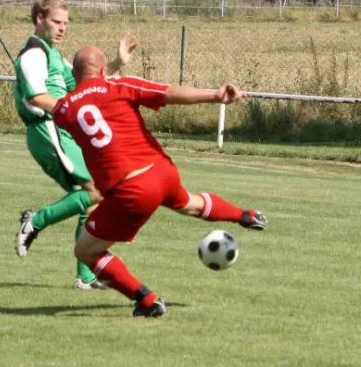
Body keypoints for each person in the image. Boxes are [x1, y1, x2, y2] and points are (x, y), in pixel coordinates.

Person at [51, 46, 267, 317]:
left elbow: (64, 100)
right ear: (104, 70)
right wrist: (214, 95)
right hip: (161, 170)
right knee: (190, 203)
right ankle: (246, 215)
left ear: (73, 72)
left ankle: (146, 300)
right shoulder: (119, 85)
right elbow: (167, 93)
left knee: (86, 250)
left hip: (130, 188)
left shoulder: (64, 109)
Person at [13, 0, 137, 290]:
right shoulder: (33, 53)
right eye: (56, 21)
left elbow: (86, 87)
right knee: (96, 190)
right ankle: (36, 221)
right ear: (39, 19)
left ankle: (85, 276)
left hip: (60, 130)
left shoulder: (54, 55)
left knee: (93, 196)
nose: (62, 28)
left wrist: (118, 61)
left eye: (66, 23)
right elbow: (36, 97)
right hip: (46, 129)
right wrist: (68, 113)